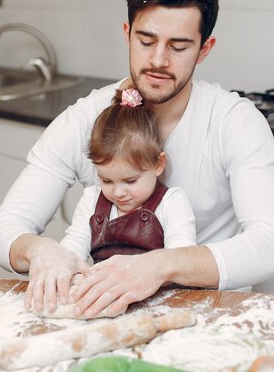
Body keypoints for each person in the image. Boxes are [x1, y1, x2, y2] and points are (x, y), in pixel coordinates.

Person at [0, 0, 274, 318]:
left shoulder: (234, 121)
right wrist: (39, 250)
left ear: (204, 49)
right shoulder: (85, 118)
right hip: (107, 314)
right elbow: (3, 229)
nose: (158, 60)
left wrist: (161, 265)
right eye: (146, 41)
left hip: (210, 318)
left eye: (178, 47)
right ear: (126, 33)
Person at [60, 86, 196, 265]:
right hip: (105, 290)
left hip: (159, 291)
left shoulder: (172, 203)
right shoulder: (91, 201)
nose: (118, 192)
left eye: (130, 181)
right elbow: (72, 250)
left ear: (158, 164)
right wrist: (65, 265)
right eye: (106, 180)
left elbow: (180, 261)